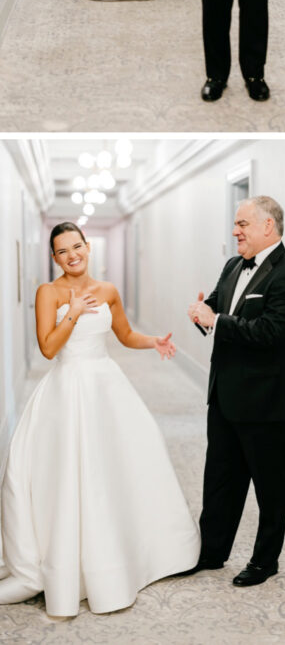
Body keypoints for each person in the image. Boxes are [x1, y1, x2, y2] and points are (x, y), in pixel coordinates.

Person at [0, 222, 199, 617]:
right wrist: (71, 313)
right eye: (63, 251)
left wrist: (153, 341)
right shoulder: (48, 293)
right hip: (67, 389)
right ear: (54, 257)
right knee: (70, 472)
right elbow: (47, 348)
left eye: (77, 246)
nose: (72, 255)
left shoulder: (107, 290)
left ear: (87, 247)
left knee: (117, 467)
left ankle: (124, 555)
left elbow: (124, 335)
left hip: (107, 386)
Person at [182, 196, 285, 586]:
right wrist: (201, 316)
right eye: (235, 224)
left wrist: (216, 320)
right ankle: (212, 552)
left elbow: (271, 333)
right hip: (224, 395)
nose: (235, 231)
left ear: (267, 226)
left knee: (270, 487)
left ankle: (264, 561)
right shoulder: (233, 265)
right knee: (219, 478)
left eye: (242, 224)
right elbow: (216, 310)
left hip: (266, 401)